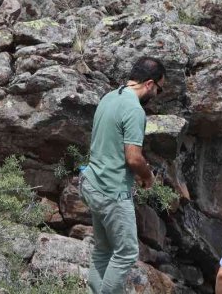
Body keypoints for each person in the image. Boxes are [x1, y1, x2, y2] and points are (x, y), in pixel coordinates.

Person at [80, 57, 166, 294]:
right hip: (112, 191)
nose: (157, 95)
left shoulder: (109, 97)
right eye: (159, 89)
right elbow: (133, 158)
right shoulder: (134, 110)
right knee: (126, 253)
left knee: (103, 250)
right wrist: (147, 176)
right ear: (149, 83)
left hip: (93, 184)